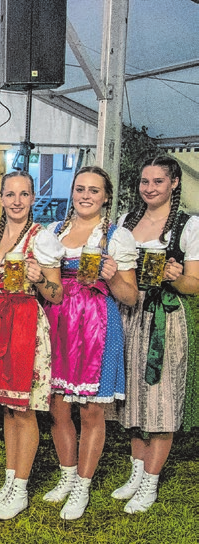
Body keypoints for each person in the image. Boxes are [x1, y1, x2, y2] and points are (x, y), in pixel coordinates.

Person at [40, 167, 138, 519]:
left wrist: (112, 278)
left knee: (91, 410)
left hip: (97, 325)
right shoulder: (53, 232)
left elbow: (130, 297)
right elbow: (49, 286)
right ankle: (67, 476)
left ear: (106, 197)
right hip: (58, 321)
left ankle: (83, 485)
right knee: (56, 405)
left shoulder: (116, 237)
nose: (85, 195)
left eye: (93, 190)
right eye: (79, 188)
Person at [0, 170, 64, 520]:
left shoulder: (42, 239)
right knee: (8, 408)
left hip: (25, 324)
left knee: (23, 409)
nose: (17, 201)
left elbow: (57, 295)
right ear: (2, 199)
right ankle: (9, 482)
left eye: (24, 194)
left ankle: (21, 489)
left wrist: (39, 280)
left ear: (33, 198)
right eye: (10, 194)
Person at [108, 156, 199, 514]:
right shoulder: (126, 222)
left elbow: (195, 284)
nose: (150, 188)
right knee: (131, 394)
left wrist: (174, 276)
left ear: (174, 183)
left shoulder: (188, 226)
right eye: (145, 182)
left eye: (158, 181)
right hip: (128, 311)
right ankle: (136, 471)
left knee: (161, 397)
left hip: (167, 316)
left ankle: (151, 481)